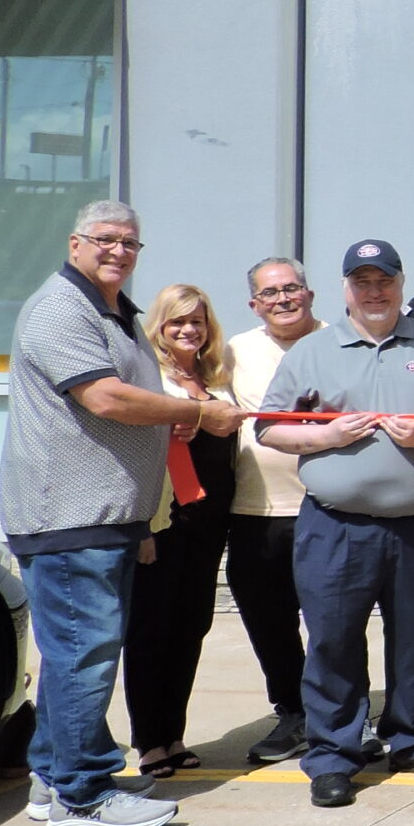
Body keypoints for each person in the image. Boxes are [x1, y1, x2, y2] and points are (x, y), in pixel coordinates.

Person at [6, 202, 246, 826]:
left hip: (105, 517)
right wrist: (196, 412)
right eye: (106, 239)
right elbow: (106, 397)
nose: (119, 251)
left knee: (73, 657)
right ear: (75, 243)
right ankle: (83, 799)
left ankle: (54, 779)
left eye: (131, 243)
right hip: (69, 516)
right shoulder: (61, 309)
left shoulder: (114, 312)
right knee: (84, 656)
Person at [253, 240, 414, 809]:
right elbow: (268, 427)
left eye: (383, 280)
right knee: (334, 641)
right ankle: (334, 754)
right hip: (337, 526)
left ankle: (412, 738)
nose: (374, 291)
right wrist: (326, 435)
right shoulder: (313, 350)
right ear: (346, 288)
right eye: (362, 282)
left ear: (401, 284)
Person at [122, 283, 242, 779]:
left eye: (197, 321)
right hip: (164, 522)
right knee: (151, 629)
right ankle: (149, 742)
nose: (189, 330)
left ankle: (174, 734)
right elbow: (136, 454)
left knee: (192, 626)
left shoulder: (216, 377)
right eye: (178, 322)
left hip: (209, 526)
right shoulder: (150, 379)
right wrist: (143, 528)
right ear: (160, 327)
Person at [225, 257, 323, 766]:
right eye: (270, 293)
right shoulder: (235, 351)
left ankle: (344, 715)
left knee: (333, 622)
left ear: (310, 294)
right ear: (254, 304)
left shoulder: (339, 341)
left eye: (291, 288)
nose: (283, 299)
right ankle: (293, 713)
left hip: (328, 507)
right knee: (270, 624)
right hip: (255, 510)